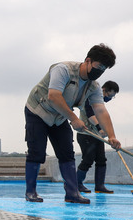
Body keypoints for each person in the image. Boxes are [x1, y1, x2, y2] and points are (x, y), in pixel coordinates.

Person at [24, 43, 121, 204]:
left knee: (67, 153)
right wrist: (74, 118)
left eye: (104, 69)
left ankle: (72, 193)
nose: (100, 71)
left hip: (60, 116)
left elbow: (101, 110)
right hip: (38, 111)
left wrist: (112, 136)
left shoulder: (93, 86)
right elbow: (54, 96)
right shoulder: (63, 70)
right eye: (99, 66)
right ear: (88, 61)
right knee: (36, 151)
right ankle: (31, 192)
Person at [76, 80, 120, 194]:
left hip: (97, 136)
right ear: (104, 90)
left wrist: (108, 133)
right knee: (88, 159)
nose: (109, 98)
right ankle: (77, 184)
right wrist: (99, 128)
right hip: (85, 134)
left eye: (112, 97)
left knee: (101, 160)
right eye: (109, 95)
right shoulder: (91, 97)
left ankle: (100, 186)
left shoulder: (100, 102)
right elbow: (90, 114)